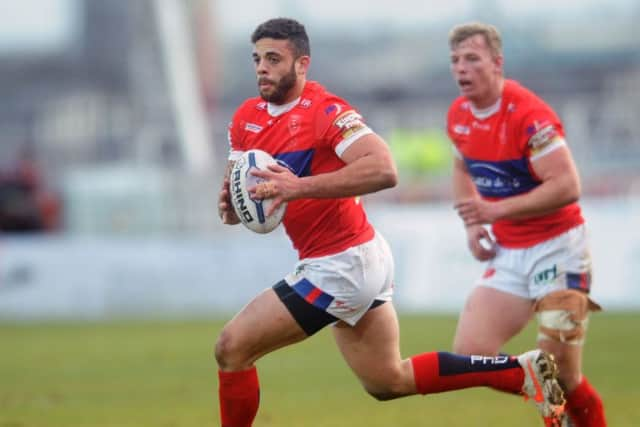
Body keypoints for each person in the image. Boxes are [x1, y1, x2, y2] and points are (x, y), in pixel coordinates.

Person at [216, 17, 565, 427]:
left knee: (231, 347)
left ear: (302, 64)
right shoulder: (245, 120)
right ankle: (519, 372)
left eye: (274, 59)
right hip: (354, 259)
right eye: (257, 58)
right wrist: (232, 208)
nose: (262, 68)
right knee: (388, 380)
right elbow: (241, 200)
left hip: (342, 263)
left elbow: (384, 168)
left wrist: (297, 187)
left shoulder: (325, 112)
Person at [445, 22, 607, 427]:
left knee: (564, 374)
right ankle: (554, 406)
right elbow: (461, 165)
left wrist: (495, 212)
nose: (461, 69)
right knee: (469, 355)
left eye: (472, 59)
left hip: (559, 249)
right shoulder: (459, 115)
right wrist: (471, 223)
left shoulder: (530, 117)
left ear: (497, 63)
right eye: (455, 61)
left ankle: (562, 406)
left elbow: (568, 186)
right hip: (509, 253)